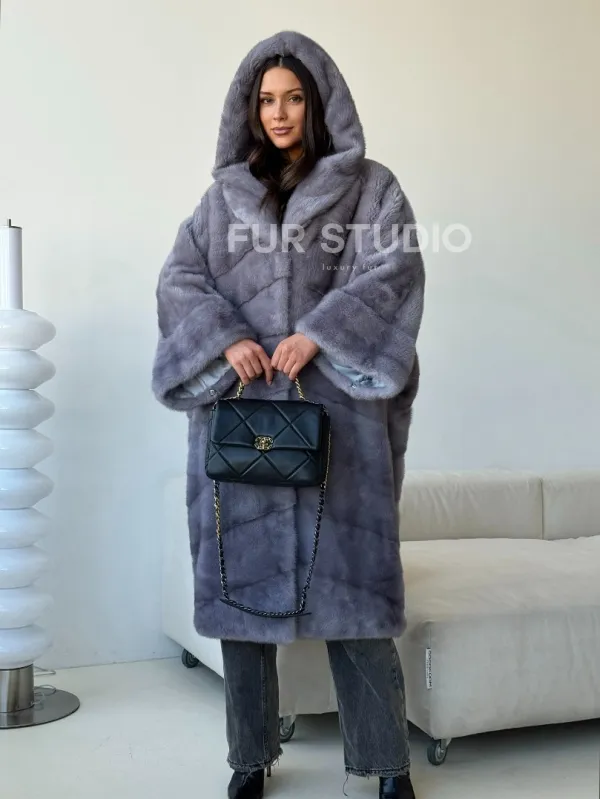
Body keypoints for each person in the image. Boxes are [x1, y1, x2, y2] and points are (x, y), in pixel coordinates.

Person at [152, 30, 424, 799]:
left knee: (356, 601)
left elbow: (396, 270)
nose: (279, 112)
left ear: (319, 102)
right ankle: (249, 756)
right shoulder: (222, 200)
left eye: (294, 97)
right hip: (243, 426)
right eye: (267, 99)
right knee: (242, 602)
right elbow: (178, 280)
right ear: (250, 108)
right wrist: (226, 337)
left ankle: (386, 764)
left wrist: (320, 334)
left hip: (340, 425)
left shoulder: (371, 189)